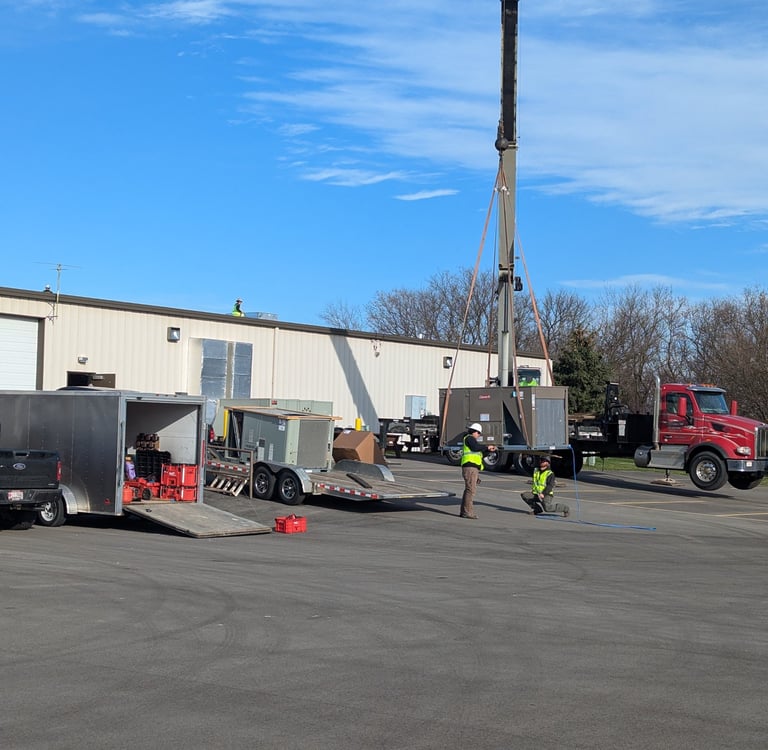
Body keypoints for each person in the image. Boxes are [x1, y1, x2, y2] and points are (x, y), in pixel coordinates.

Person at [459, 422, 497, 519]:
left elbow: (479, 453)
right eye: (479, 433)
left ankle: (464, 511)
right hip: (470, 467)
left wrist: (488, 450)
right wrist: (487, 447)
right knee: (470, 490)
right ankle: (467, 512)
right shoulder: (469, 438)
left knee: (468, 490)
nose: (479, 435)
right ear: (474, 432)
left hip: (472, 468)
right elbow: (475, 448)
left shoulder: (470, 440)